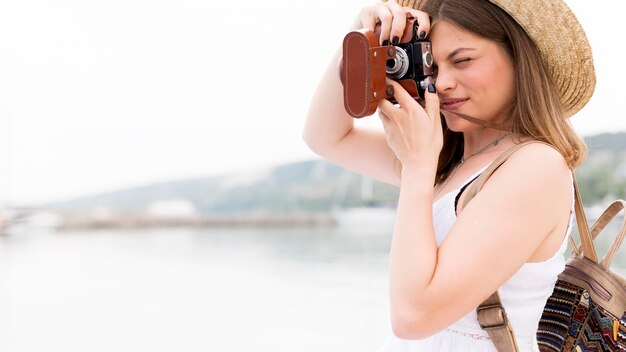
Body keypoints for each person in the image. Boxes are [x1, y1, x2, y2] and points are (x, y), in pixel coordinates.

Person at [302, 0, 596, 350]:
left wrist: (417, 167)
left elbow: (414, 316)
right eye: (431, 65)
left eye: (462, 61)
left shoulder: (536, 165)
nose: (441, 84)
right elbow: (325, 136)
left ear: (519, 59)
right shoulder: (448, 159)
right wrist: (363, 39)